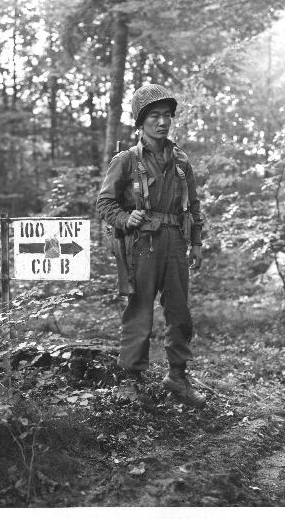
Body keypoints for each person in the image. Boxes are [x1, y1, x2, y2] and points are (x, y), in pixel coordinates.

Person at [96, 84, 206, 408]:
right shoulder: (126, 160)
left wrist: (197, 243)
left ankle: (177, 376)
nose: (162, 122)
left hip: (175, 243)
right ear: (141, 122)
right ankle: (131, 381)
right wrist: (125, 219)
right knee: (139, 311)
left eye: (167, 116)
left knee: (180, 312)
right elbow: (104, 203)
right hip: (142, 243)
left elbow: (194, 206)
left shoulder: (182, 161)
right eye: (155, 116)